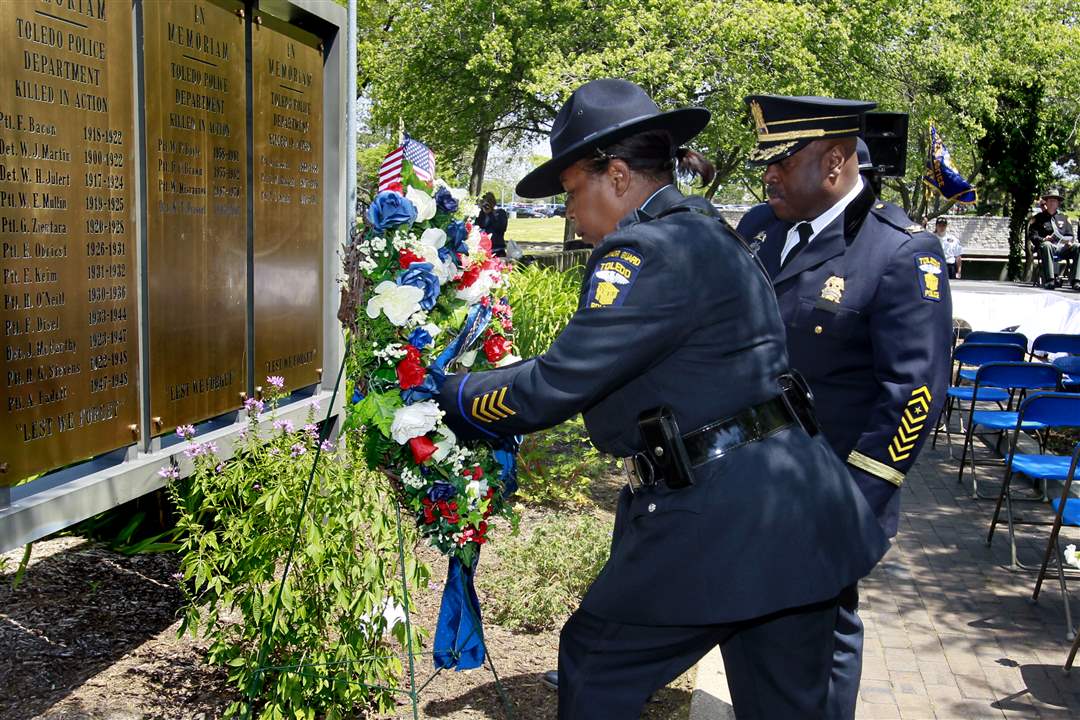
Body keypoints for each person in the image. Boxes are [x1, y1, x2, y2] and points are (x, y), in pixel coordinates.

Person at [433, 78, 888, 719]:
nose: (569, 213)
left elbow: (557, 384)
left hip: (723, 514)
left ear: (616, 176)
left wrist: (445, 391)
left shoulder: (648, 251)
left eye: (570, 193)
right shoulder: (705, 231)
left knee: (597, 661)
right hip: (792, 515)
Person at [734, 95, 952, 720]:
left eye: (781, 161)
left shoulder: (901, 252)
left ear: (834, 161)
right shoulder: (758, 228)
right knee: (757, 647)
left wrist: (851, 505)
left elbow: (913, 397)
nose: (767, 176)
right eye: (764, 163)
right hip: (744, 487)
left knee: (814, 658)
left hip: (825, 500)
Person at [1028, 188, 1076, 289]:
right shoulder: (1038, 218)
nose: (1052, 203)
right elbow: (1033, 236)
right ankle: (1050, 280)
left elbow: (1070, 235)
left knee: (1078, 246)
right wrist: (1044, 239)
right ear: (1046, 202)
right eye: (1050, 200)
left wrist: (1070, 242)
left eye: (1054, 201)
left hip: (1063, 248)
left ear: (1058, 203)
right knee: (1047, 245)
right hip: (1046, 248)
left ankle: (1076, 281)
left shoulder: (1064, 218)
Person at [476, 191, 508, 257]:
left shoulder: (500, 213)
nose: (486, 206)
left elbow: (501, 228)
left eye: (489, 203)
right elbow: (479, 226)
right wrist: (482, 212)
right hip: (482, 249)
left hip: (497, 248)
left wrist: (491, 214)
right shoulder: (481, 214)